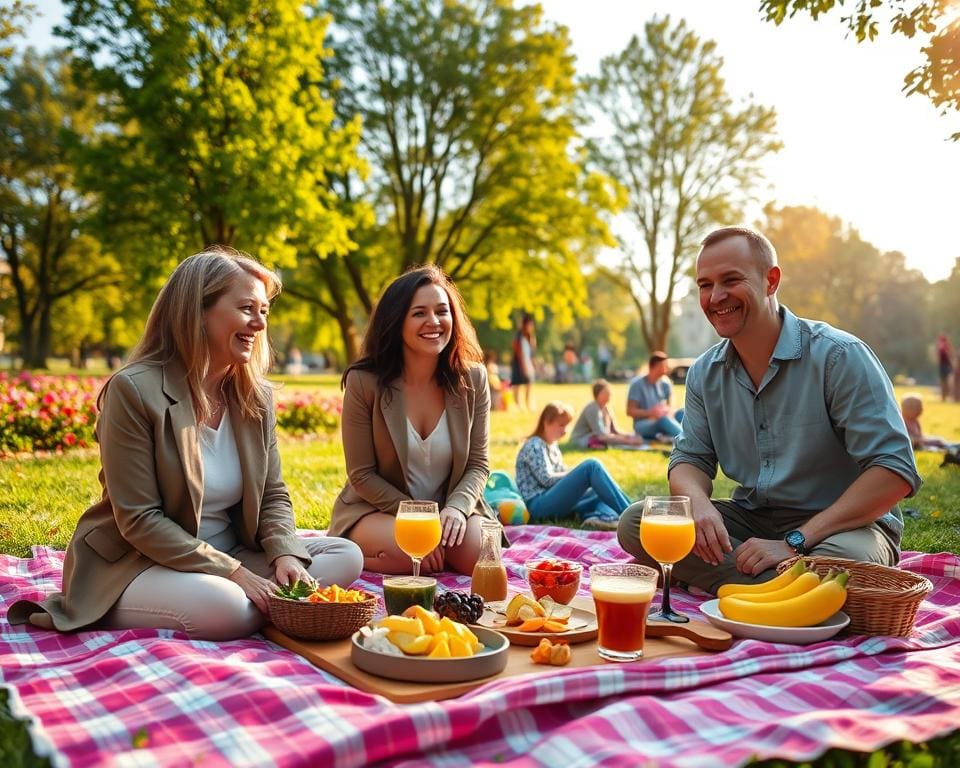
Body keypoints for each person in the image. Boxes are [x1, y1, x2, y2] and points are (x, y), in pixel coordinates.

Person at [9, 248, 363, 640]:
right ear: (198, 311)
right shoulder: (133, 390)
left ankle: (264, 603)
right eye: (247, 308)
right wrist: (236, 574)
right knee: (225, 607)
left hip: (229, 553)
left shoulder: (254, 397)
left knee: (345, 555)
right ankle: (269, 607)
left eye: (264, 311)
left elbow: (272, 493)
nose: (260, 324)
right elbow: (139, 519)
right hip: (138, 562)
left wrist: (282, 553)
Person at [618, 226, 921, 593]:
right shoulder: (703, 373)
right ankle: (787, 595)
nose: (716, 297)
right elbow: (690, 459)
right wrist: (698, 505)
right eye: (704, 285)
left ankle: (758, 586)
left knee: (835, 568)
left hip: (845, 528)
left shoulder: (838, 356)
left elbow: (894, 471)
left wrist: (794, 542)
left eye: (731, 280)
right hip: (753, 522)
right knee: (639, 523)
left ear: (771, 280)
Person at [328, 265, 496, 575]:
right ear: (396, 322)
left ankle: (430, 549)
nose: (433, 322)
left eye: (441, 311)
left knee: (484, 559)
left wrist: (457, 509)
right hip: (380, 509)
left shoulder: (473, 379)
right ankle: (355, 553)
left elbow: (478, 464)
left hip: (450, 509)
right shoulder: (364, 382)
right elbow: (362, 475)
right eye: (419, 313)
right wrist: (418, 519)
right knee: (411, 555)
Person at [516, 401, 632, 531]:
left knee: (599, 488)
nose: (565, 431)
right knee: (591, 466)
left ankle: (604, 517)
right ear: (546, 422)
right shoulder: (535, 445)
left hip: (550, 498)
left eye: (566, 426)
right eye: (561, 425)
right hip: (538, 505)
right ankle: (632, 515)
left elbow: (561, 472)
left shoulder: (551, 445)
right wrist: (580, 474)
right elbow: (546, 479)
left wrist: (579, 477)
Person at [569, 379, 646, 449]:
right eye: (605, 393)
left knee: (621, 438)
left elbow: (614, 431)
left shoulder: (607, 409)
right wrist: (628, 441)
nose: (609, 395)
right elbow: (601, 435)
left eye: (609, 393)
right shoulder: (592, 409)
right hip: (583, 438)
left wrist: (629, 436)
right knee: (601, 441)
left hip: (601, 436)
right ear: (597, 394)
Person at [626, 351, 684, 441]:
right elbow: (630, 411)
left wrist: (668, 411)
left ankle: (698, 437)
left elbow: (670, 406)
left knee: (682, 412)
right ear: (652, 367)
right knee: (663, 420)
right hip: (643, 424)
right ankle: (687, 441)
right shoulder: (637, 384)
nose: (665, 370)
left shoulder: (665, 383)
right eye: (662, 367)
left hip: (664, 418)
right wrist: (651, 413)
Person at [510, 313, 536, 411]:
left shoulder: (530, 337)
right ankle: (518, 405)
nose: (532, 327)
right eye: (530, 325)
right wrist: (523, 365)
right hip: (519, 363)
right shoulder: (518, 337)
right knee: (517, 384)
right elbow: (517, 352)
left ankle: (527, 403)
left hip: (528, 363)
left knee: (529, 384)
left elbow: (532, 352)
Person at [936, 333, 954, 402]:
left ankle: (945, 396)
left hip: (944, 365)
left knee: (944, 381)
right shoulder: (946, 346)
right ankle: (944, 396)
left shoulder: (943, 345)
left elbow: (947, 355)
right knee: (945, 381)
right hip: (945, 365)